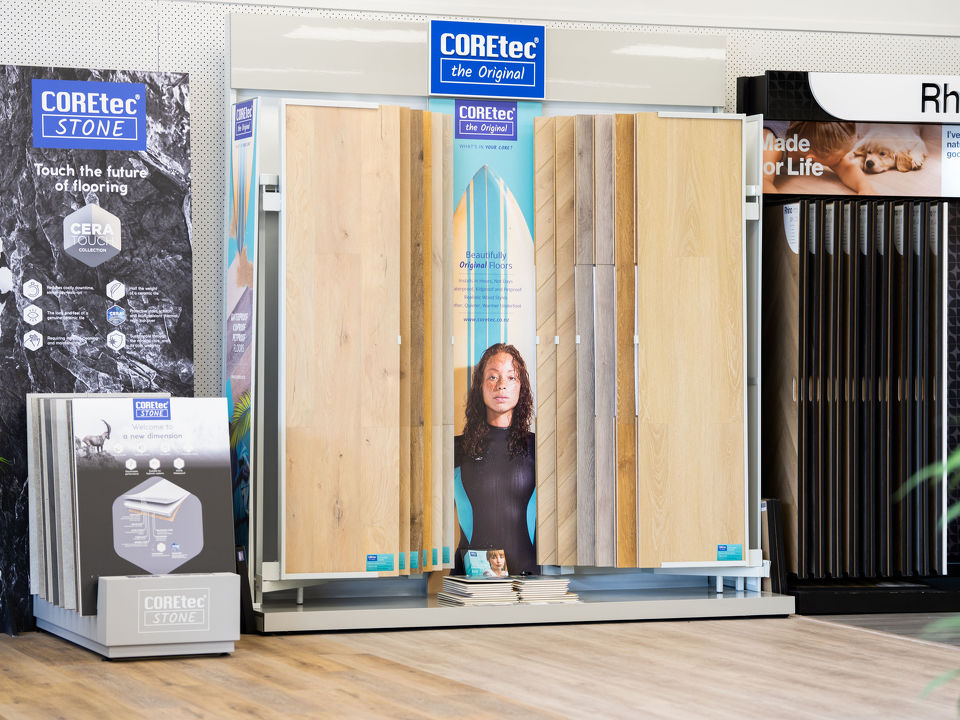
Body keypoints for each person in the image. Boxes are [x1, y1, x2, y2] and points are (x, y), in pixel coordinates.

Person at [454, 343, 537, 576]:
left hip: (527, 584)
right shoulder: (456, 448)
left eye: (511, 377)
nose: (501, 384)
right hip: (470, 582)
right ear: (480, 386)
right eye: (493, 377)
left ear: (522, 387)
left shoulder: (538, 448)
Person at [762, 121, 875, 195]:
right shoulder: (772, 146)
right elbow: (763, 183)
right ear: (812, 158)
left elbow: (846, 168)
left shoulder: (813, 135)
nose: (843, 160)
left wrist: (865, 188)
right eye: (840, 157)